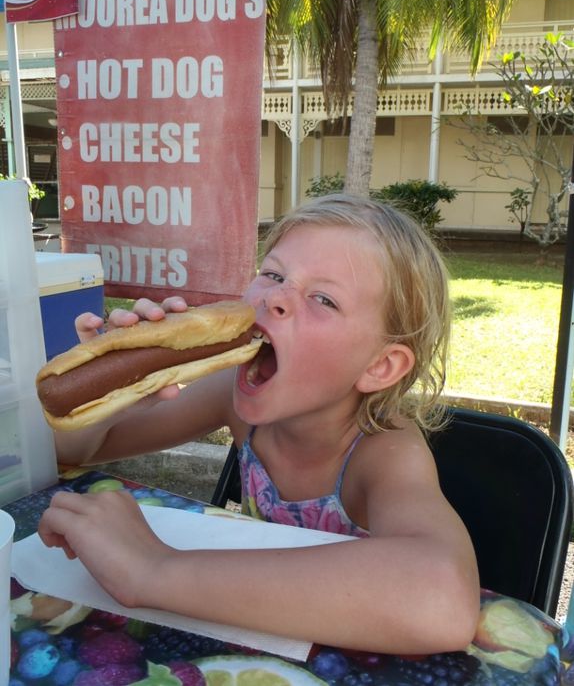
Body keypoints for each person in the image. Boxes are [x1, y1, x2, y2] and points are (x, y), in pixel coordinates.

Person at [38, 193, 480, 655]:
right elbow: (70, 450)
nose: (276, 297)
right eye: (273, 274)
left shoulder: (385, 449)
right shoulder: (234, 393)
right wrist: (119, 392)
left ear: (381, 366)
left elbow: (440, 597)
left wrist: (153, 569)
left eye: (324, 299)